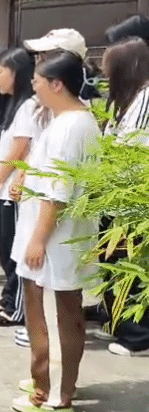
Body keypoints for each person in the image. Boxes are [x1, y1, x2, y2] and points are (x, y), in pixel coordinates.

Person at [10, 50, 101, 412]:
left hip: (53, 240)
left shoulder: (69, 127)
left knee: (50, 315)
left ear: (57, 84)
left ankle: (50, 393)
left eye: (37, 82)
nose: (34, 88)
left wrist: (37, 240)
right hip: (61, 237)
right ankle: (56, 384)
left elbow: (57, 191)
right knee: (63, 312)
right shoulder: (76, 120)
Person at [90, 36, 149, 357]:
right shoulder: (126, 100)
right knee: (111, 261)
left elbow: (131, 149)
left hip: (132, 200)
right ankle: (117, 320)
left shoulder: (145, 98)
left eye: (108, 68)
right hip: (114, 197)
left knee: (129, 265)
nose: (103, 74)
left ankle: (137, 335)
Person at [0, 48, 38, 326]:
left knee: (14, 252)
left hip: (12, 192)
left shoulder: (27, 106)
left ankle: (17, 308)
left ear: (16, 72)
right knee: (5, 250)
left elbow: (19, 150)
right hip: (4, 189)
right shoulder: (15, 106)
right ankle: (8, 298)